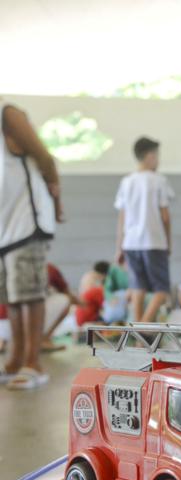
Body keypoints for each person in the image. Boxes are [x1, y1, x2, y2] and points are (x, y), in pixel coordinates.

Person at [0, 103, 63, 387]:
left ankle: (33, 363)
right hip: (5, 228)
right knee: (13, 297)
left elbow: (44, 158)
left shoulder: (8, 114)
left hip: (25, 222)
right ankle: (15, 360)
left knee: (29, 294)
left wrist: (57, 202)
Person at [115, 136, 174, 323]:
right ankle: (142, 327)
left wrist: (119, 247)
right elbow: (165, 216)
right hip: (153, 241)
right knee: (162, 290)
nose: (158, 160)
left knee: (138, 288)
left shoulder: (127, 181)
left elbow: (122, 218)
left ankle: (137, 335)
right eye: (157, 156)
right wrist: (168, 242)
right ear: (150, 156)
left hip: (131, 243)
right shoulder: (158, 180)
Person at [76, 261, 109, 327]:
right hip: (87, 316)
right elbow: (104, 307)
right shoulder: (95, 284)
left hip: (81, 313)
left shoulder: (88, 276)